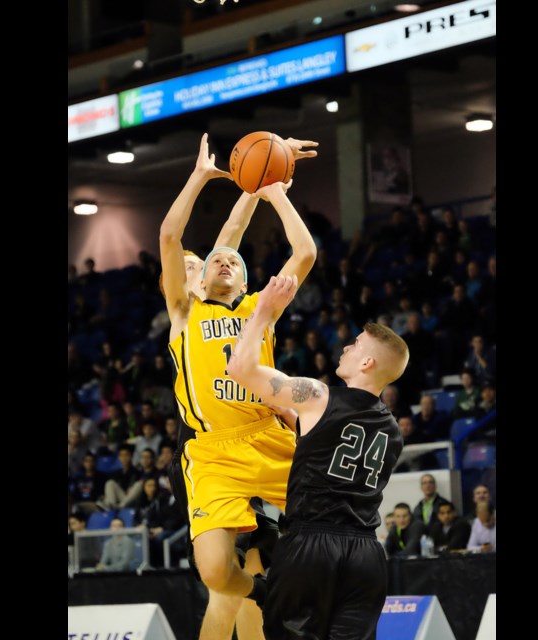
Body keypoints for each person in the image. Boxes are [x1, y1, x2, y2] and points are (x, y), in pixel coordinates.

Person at [159, 134, 318, 640]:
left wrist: (265, 183)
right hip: (208, 448)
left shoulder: (255, 307)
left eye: (225, 261)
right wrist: (204, 176)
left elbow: (242, 240)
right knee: (222, 578)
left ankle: (319, 600)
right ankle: (271, 595)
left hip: (265, 434)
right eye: (202, 262)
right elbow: (172, 237)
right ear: (196, 281)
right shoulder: (185, 310)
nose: (214, 260)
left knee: (324, 530)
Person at [226, 274, 409, 640]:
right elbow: (336, 451)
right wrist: (297, 422)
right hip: (366, 555)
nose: (345, 349)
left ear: (368, 362)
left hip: (311, 546)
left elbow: (239, 370)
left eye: (355, 345)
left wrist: (262, 311)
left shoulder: (317, 395)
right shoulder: (393, 432)